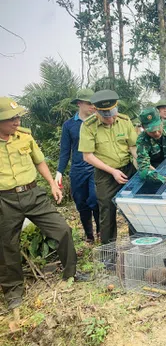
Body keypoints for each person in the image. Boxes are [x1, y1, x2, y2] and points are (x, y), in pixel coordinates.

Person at [0, 97, 82, 311]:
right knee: (7, 245)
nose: (16, 122)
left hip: (33, 193)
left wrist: (52, 184)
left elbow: (39, 161)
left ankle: (71, 273)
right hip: (4, 199)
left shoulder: (25, 137)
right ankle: (13, 291)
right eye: (10, 119)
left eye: (17, 117)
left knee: (62, 229)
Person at [78, 90, 138, 244]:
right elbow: (88, 156)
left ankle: (137, 246)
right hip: (105, 173)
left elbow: (133, 147)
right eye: (106, 116)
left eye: (113, 114)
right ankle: (109, 254)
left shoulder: (125, 121)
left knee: (134, 209)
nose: (111, 118)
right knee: (107, 212)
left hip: (128, 169)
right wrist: (112, 171)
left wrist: (144, 166)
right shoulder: (88, 126)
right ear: (97, 111)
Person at [56, 89, 99, 243]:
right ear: (79, 103)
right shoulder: (69, 125)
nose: (92, 106)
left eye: (94, 103)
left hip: (96, 168)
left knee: (95, 199)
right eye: (89, 103)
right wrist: (59, 172)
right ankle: (89, 236)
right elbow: (65, 151)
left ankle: (101, 233)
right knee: (81, 203)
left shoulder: (98, 121)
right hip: (78, 170)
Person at [136, 107, 166, 183]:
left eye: (158, 128)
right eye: (152, 131)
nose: (157, 133)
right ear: (143, 128)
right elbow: (143, 168)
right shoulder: (142, 140)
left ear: (161, 121)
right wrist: (162, 179)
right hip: (156, 169)